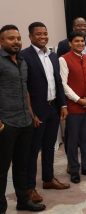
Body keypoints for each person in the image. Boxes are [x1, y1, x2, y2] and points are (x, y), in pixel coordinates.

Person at [21, 22, 69, 203]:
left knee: (49, 147)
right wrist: (31, 113)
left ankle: (48, 179)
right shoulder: (24, 56)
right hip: (36, 111)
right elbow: (23, 87)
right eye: (38, 34)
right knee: (33, 150)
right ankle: (29, 188)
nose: (43, 37)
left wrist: (63, 105)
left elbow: (58, 82)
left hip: (53, 108)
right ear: (31, 36)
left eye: (45, 33)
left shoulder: (54, 55)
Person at [0, 24, 46, 213]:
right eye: (11, 38)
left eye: (18, 38)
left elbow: (25, 90)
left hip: (25, 121)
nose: (16, 42)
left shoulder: (22, 61)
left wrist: (32, 114)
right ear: (2, 41)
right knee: (2, 169)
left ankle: (23, 201)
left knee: (23, 165)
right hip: (6, 123)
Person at [57, 17, 86, 169]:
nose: (80, 44)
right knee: (73, 138)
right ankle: (73, 169)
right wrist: (78, 100)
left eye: (82, 41)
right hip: (74, 105)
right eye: (77, 41)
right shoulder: (63, 58)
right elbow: (63, 83)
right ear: (70, 43)